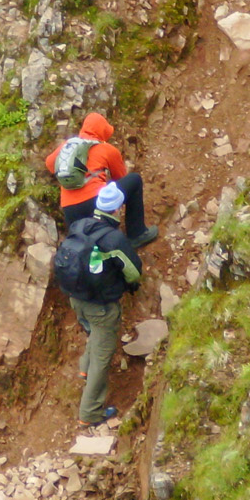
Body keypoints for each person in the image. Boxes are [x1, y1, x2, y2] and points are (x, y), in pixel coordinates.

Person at [52, 181, 142, 425]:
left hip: (75, 298)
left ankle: (84, 367)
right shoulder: (114, 239)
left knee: (93, 332)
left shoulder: (79, 225)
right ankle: (90, 413)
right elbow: (133, 272)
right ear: (118, 210)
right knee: (103, 355)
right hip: (101, 306)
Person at [45, 112, 157, 248]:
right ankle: (137, 234)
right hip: (96, 203)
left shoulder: (67, 147)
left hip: (69, 209)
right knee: (134, 180)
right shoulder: (106, 149)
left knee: (86, 248)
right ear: (102, 131)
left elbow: (49, 164)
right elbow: (120, 177)